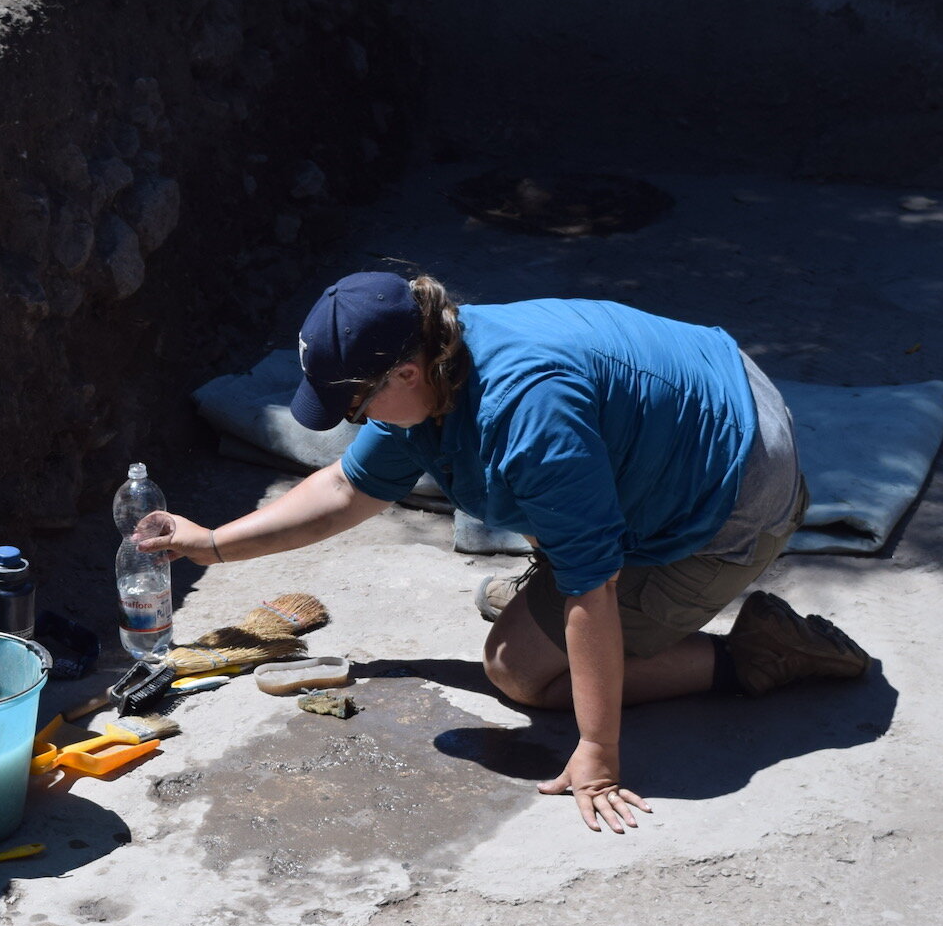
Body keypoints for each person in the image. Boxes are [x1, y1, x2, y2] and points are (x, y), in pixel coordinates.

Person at [135, 271, 871, 834]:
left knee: (518, 671)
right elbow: (346, 490)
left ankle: (760, 653)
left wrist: (598, 752)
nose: (351, 420)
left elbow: (592, 590)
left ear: (406, 374)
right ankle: (569, 594)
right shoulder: (432, 357)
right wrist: (213, 546)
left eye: (354, 403)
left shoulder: (527, 419)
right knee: (545, 581)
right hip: (701, 403)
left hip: (735, 488)